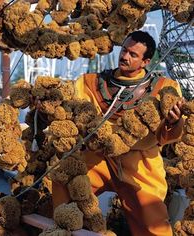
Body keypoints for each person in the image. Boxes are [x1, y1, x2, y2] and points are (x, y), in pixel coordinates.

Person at [52, 30, 185, 236]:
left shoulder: (164, 88)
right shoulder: (89, 83)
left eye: (133, 54)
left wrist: (173, 122)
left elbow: (168, 136)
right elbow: (71, 111)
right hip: (98, 158)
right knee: (64, 181)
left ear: (145, 62)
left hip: (141, 164)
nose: (124, 56)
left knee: (154, 224)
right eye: (124, 50)